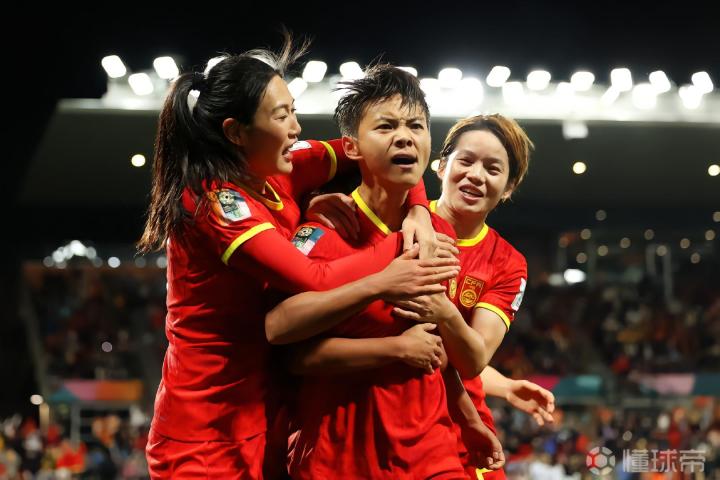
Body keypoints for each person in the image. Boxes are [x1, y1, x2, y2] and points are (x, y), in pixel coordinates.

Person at [137, 37, 459, 479]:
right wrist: (398, 255)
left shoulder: (279, 166)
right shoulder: (216, 204)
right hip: (207, 425)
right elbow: (313, 276)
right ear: (236, 132)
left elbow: (386, 149)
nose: (296, 128)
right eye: (280, 115)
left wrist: (419, 209)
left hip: (270, 410)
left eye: (293, 110)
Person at [267, 64, 496, 480]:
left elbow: (440, 350)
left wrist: (466, 418)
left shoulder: (438, 234)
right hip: (340, 457)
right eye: (386, 126)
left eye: (416, 126)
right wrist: (395, 348)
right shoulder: (323, 231)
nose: (405, 136)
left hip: (431, 453)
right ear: (351, 147)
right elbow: (291, 352)